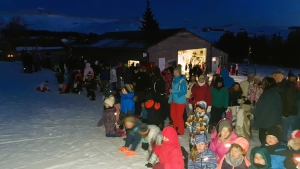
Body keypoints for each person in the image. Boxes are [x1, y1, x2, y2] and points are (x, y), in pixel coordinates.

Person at [253, 77, 282, 144]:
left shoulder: (270, 94)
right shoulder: (270, 92)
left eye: (263, 83)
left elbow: (265, 110)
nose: (261, 84)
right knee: (266, 142)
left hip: (267, 123)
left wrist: (257, 124)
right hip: (269, 122)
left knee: (265, 141)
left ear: (267, 83)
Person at [272, 69, 298, 141]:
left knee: (284, 131)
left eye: (294, 79)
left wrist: (285, 114)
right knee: (290, 131)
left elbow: (289, 101)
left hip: (288, 113)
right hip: (291, 112)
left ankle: (284, 146)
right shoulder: (288, 86)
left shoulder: (288, 87)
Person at [168, 66, 187, 135]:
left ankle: (180, 130)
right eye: (174, 72)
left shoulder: (182, 81)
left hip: (180, 101)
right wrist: (170, 99)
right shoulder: (174, 80)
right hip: (174, 101)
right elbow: (171, 91)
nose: (174, 73)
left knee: (179, 116)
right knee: (173, 115)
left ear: (179, 72)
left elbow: (184, 91)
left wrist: (174, 91)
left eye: (176, 72)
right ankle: (175, 128)